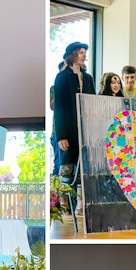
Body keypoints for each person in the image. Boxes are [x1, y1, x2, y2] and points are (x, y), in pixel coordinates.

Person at [53, 43, 96, 176]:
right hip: (68, 131)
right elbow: (59, 108)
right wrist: (61, 136)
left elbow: (93, 102)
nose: (84, 55)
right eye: (81, 52)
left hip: (86, 132)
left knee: (86, 171)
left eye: (85, 52)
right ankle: (64, 197)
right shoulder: (62, 77)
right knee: (67, 170)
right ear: (73, 54)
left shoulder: (88, 78)